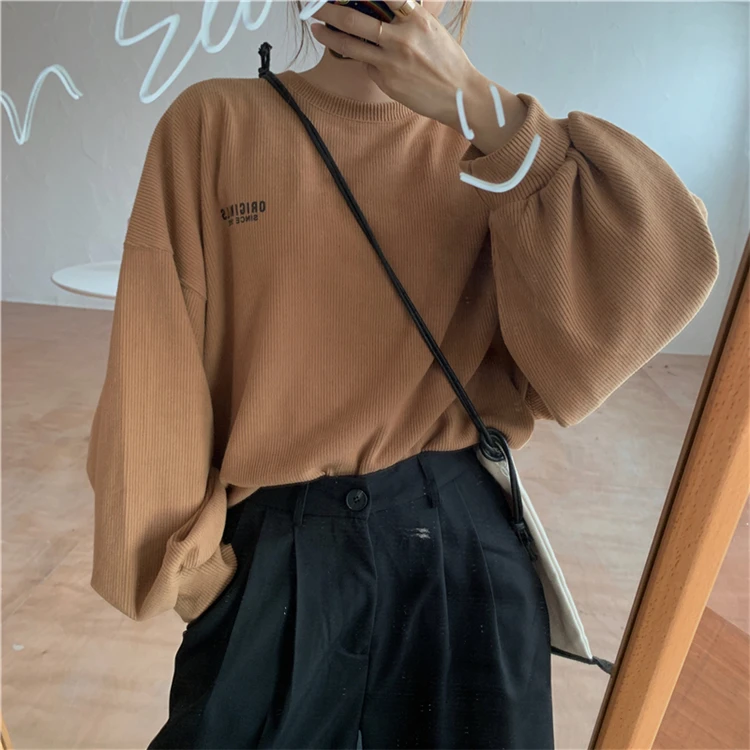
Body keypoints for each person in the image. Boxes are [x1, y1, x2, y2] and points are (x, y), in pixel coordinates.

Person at [85, 1, 719, 748]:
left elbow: (659, 271)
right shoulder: (213, 124)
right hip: (275, 554)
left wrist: (483, 109)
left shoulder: (498, 147)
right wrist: (198, 580)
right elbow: (154, 370)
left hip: (459, 554)